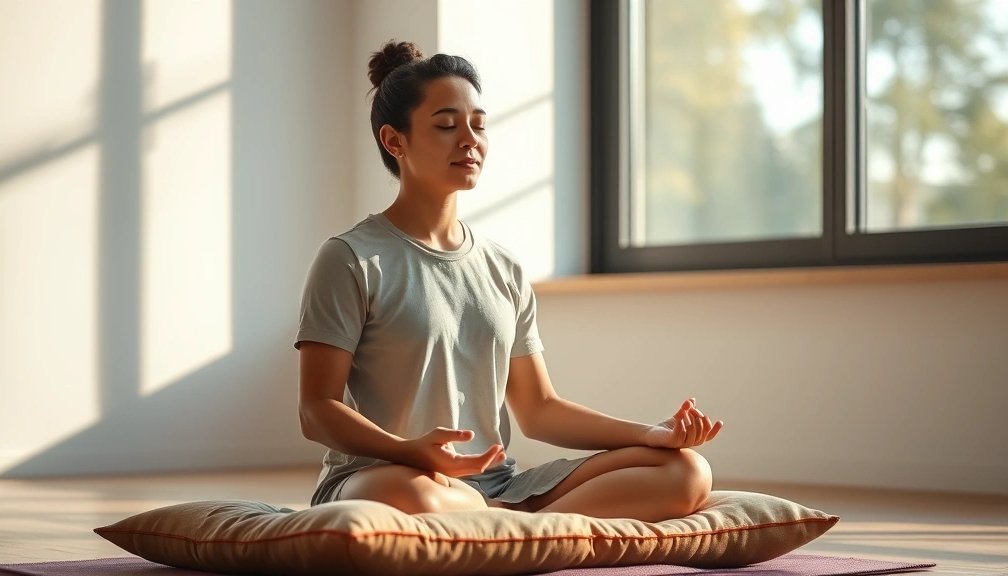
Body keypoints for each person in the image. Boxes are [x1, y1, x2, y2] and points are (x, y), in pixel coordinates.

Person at [294, 40, 723, 522]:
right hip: (390, 476)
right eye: (446, 125)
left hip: (495, 486)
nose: (469, 140)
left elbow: (539, 409)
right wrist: (410, 450)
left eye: (478, 125)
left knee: (687, 472)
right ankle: (515, 528)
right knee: (412, 498)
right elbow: (317, 409)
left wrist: (650, 434)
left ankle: (500, 525)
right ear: (395, 141)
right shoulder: (350, 258)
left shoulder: (503, 267)